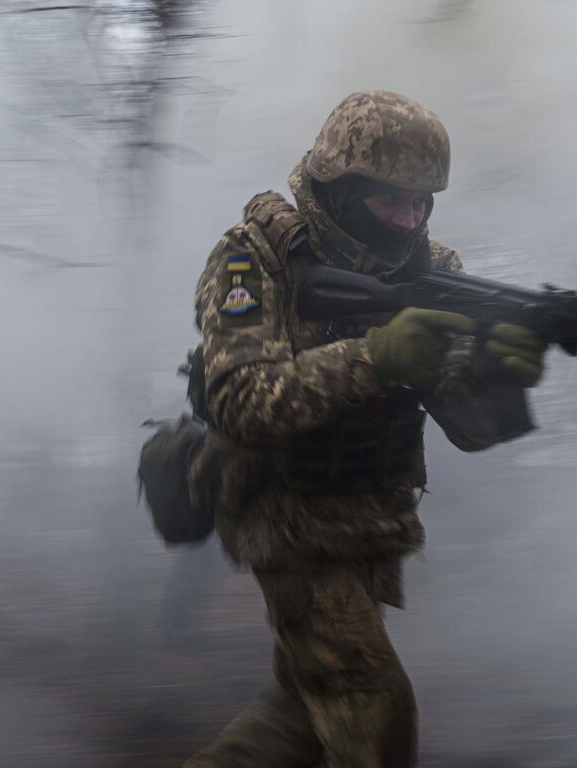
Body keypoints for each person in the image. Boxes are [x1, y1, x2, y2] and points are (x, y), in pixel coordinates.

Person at [184, 90, 547, 768]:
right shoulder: (252, 259)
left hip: (371, 525)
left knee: (303, 713)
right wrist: (373, 358)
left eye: (422, 203)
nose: (409, 220)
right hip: (283, 517)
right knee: (371, 704)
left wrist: (499, 372)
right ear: (342, 190)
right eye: (392, 201)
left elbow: (468, 428)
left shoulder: (432, 271)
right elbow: (237, 399)